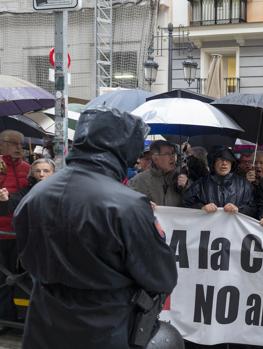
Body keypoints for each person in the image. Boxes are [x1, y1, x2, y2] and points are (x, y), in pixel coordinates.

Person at [13, 108, 177, 349]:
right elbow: (162, 277)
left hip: (43, 323)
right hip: (104, 328)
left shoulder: (37, 194)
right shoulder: (127, 205)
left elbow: (26, 256)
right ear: (123, 148)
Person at [0, 129, 29, 326]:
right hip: (1, 233)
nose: (19, 147)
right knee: (3, 277)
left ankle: (18, 315)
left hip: (21, 232)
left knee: (20, 277)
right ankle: (5, 316)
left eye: (21, 143)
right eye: (13, 143)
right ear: (2, 144)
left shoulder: (28, 168)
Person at [183, 147, 255, 217]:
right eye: (220, 159)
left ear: (232, 163)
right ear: (213, 163)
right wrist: (201, 208)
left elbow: (253, 207)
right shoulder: (200, 184)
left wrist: (239, 210)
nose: (224, 163)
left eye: (227, 159)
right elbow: (186, 203)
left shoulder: (244, 185)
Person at [129, 140, 189, 207]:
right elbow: (128, 204)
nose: (172, 157)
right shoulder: (138, 180)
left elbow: (195, 204)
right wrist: (142, 205)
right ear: (155, 158)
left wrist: (187, 187)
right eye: (168, 154)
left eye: (173, 153)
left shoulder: (182, 176)